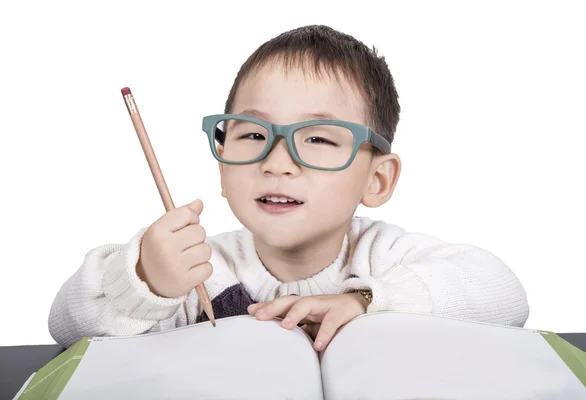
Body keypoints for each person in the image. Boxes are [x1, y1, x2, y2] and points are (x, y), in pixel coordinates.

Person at [49, 25, 529, 351]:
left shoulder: (384, 256)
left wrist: (363, 300)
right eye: (253, 135)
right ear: (221, 163)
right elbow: (67, 328)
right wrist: (144, 281)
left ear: (377, 179)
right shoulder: (198, 271)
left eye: (318, 138)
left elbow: (504, 296)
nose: (277, 162)